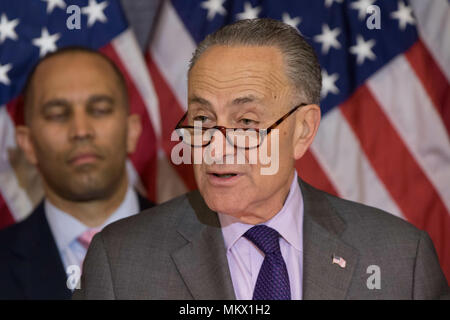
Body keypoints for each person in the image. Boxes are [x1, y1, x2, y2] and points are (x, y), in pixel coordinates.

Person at [74, 19, 448, 300]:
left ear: (303, 129)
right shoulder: (121, 264)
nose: (214, 147)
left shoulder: (401, 260)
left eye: (246, 122)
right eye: (202, 120)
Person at [0, 47, 153, 299]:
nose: (81, 130)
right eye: (58, 114)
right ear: (27, 144)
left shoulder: (209, 248)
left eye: (100, 109)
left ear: (132, 131)